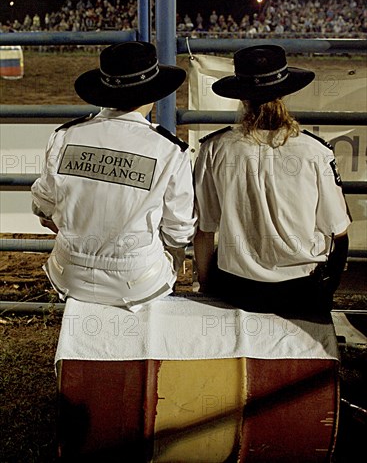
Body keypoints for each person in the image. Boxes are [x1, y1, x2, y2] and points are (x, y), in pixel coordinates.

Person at [31, 41, 197, 312]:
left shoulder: (65, 136)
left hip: (68, 273)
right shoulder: (169, 150)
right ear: (152, 94)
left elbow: (43, 208)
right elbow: (179, 231)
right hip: (139, 280)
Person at [193, 44, 351, 315]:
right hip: (300, 289)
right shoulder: (315, 151)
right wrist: (328, 289)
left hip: (237, 288)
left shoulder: (214, 149)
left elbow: (204, 232)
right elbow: (339, 232)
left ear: (242, 99)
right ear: (285, 93)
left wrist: (208, 289)